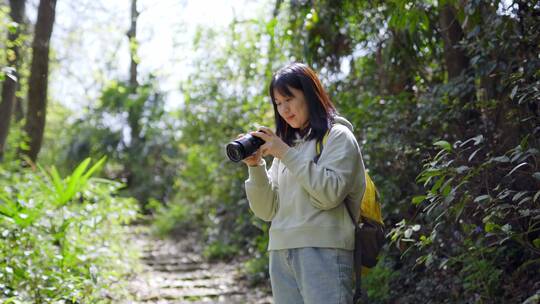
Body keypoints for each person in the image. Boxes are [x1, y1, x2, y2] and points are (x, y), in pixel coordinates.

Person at [242, 62, 366, 304]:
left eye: (289, 99)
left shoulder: (338, 137)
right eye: (278, 103)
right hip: (280, 252)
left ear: (310, 95)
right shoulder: (288, 146)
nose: (283, 109)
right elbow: (267, 211)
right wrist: (255, 166)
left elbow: (329, 194)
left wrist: (285, 153)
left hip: (324, 250)